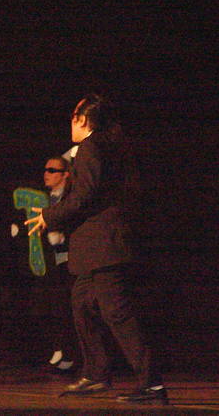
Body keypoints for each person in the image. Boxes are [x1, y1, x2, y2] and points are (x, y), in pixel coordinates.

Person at [26, 94, 168, 404]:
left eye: (73, 117)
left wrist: (50, 215)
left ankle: (151, 383)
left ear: (82, 120)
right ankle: (96, 373)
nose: (70, 123)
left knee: (118, 314)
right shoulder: (106, 146)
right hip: (95, 247)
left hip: (103, 246)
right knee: (81, 306)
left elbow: (84, 194)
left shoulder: (92, 146)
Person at [41, 155, 78, 374]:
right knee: (54, 307)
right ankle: (60, 349)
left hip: (70, 261)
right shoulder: (45, 198)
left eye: (52, 170)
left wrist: (63, 237)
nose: (47, 174)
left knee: (70, 308)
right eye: (46, 170)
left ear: (65, 175)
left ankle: (70, 354)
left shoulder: (72, 197)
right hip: (50, 262)